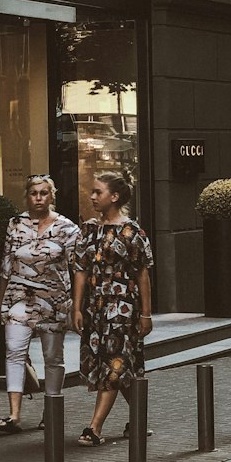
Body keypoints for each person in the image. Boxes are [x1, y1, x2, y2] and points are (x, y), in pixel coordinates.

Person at [72, 171, 154, 446]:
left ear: (114, 197)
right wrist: (77, 307)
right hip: (96, 307)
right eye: (92, 192)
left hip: (123, 308)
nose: (92, 196)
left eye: (98, 192)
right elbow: (81, 270)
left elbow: (142, 274)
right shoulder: (88, 230)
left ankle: (94, 428)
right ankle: (139, 418)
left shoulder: (132, 232)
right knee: (121, 365)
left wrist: (145, 313)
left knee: (114, 364)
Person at [0, 174, 80, 434]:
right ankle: (14, 414)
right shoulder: (15, 224)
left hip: (54, 300)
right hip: (19, 296)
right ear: (27, 196)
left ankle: (51, 411)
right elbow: (6, 265)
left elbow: (78, 269)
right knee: (14, 351)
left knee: (52, 357)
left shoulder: (67, 228)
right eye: (34, 193)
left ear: (52, 196)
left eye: (44, 193)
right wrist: (1, 302)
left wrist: (77, 304)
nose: (39, 198)